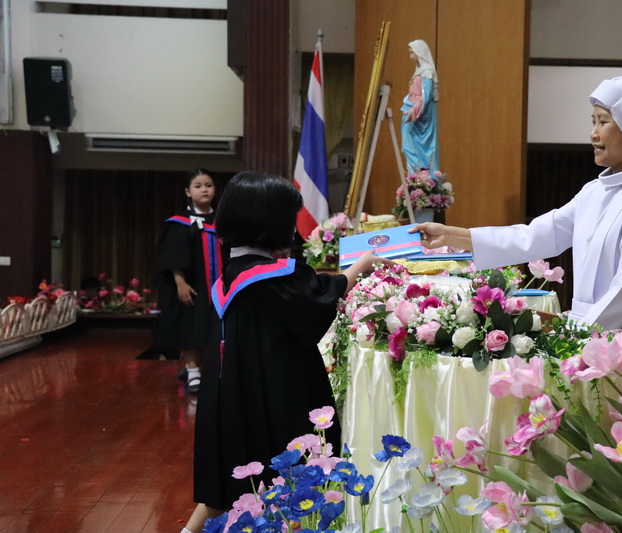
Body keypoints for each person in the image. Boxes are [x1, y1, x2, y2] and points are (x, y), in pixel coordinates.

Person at [182, 172, 388, 533]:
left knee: (231, 478)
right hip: (275, 394)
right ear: (269, 223)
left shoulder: (230, 275)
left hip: (230, 396)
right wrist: (361, 266)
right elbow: (319, 298)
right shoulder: (272, 276)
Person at [413, 74, 622, 331]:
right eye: (593, 122)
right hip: (584, 332)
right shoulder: (594, 191)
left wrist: (574, 339)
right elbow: (532, 237)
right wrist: (450, 235)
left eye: (603, 122)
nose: (593, 134)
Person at [152, 169, 222, 394]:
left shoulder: (223, 222)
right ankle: (193, 371)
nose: (204, 190)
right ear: (188, 192)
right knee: (193, 326)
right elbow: (173, 255)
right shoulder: (179, 223)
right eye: (198, 186)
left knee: (216, 329)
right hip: (193, 286)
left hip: (220, 287)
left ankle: (207, 369)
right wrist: (180, 283)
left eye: (209, 185)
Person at [401, 39, 440, 175]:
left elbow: (426, 96)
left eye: (412, 53)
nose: (410, 56)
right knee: (408, 146)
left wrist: (413, 111)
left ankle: (423, 177)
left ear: (419, 53)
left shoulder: (427, 72)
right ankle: (414, 176)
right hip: (413, 113)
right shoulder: (420, 71)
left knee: (418, 148)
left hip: (420, 116)